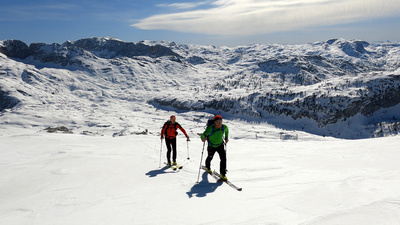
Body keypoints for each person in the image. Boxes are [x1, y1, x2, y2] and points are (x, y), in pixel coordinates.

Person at [201, 115, 229, 181]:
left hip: (220, 145)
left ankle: (223, 174)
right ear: (215, 122)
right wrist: (203, 138)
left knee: (223, 159)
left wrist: (226, 137)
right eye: (217, 122)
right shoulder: (211, 128)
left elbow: (227, 130)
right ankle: (208, 167)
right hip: (211, 146)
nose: (219, 123)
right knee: (210, 157)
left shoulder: (224, 127)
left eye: (220, 121)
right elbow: (203, 135)